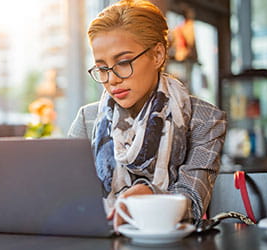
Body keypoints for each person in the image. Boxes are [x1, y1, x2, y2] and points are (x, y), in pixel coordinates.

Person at [68, 0, 226, 232]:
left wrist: (151, 195)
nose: (111, 79)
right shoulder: (87, 118)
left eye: (123, 62)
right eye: (102, 68)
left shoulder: (205, 119)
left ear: (157, 55)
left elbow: (192, 200)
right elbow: (65, 193)